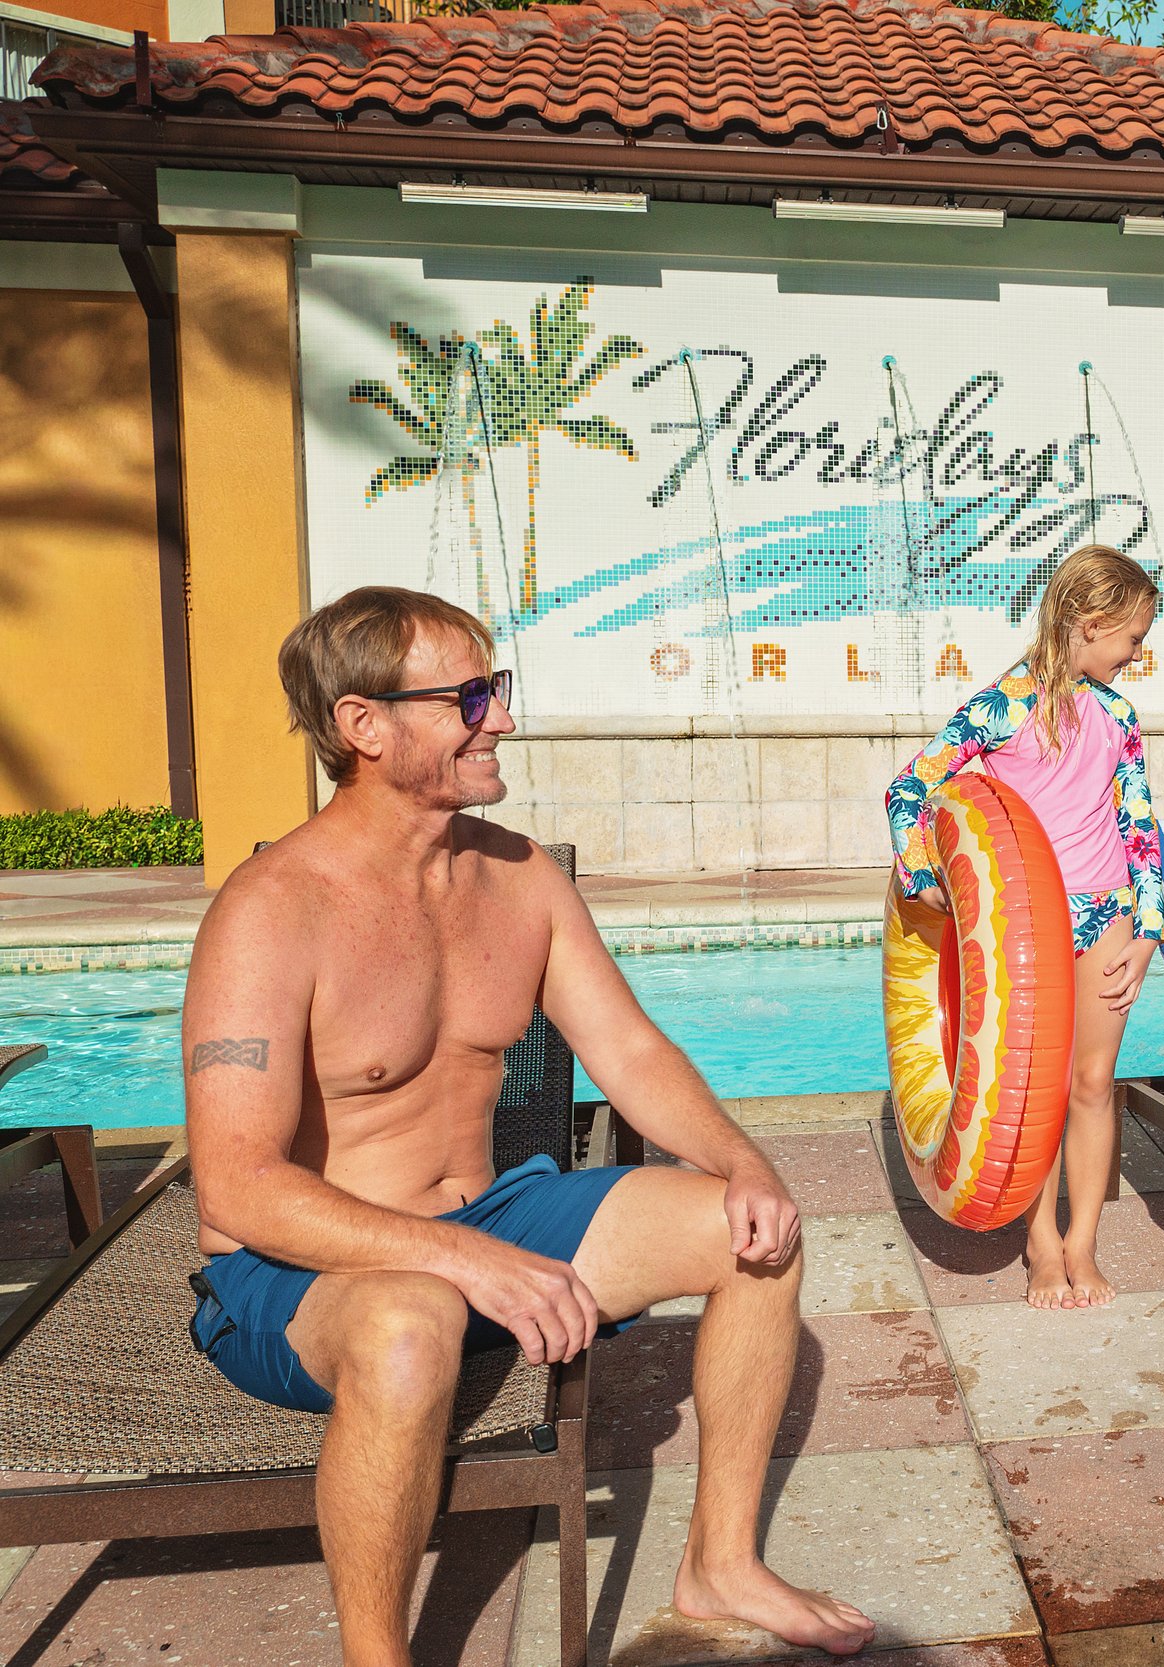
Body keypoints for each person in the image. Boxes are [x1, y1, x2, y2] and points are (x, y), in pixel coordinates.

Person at [182, 587, 871, 1667]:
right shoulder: (270, 911)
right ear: (365, 725)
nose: (500, 716)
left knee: (756, 1234)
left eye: (494, 688)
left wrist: (744, 1163)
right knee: (410, 1322)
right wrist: (470, 1262)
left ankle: (721, 1561)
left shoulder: (517, 875)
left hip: (485, 1212)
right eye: (468, 695)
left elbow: (632, 1053)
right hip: (299, 1270)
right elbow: (236, 1184)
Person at [886, 545, 1164, 1309]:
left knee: (1094, 1082)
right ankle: (1041, 1244)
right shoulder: (1000, 707)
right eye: (1132, 638)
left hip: (1107, 909)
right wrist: (923, 879)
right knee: (1037, 1087)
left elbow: (1138, 824)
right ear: (1091, 621)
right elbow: (910, 788)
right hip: (1026, 924)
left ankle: (1083, 1244)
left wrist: (1148, 930)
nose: (1139, 653)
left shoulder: (1117, 717)